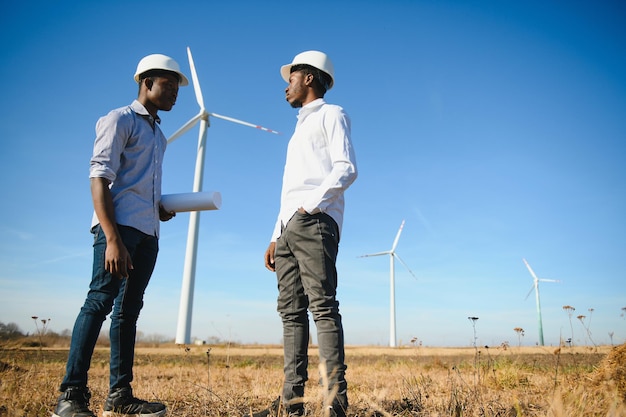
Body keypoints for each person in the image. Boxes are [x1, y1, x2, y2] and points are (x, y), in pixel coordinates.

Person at [52, 53, 188, 417]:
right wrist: (112, 238)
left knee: (128, 313)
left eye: (178, 88)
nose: (176, 93)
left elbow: (139, 184)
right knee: (99, 301)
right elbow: (99, 177)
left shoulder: (159, 136)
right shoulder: (119, 119)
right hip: (119, 229)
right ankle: (71, 396)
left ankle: (120, 396)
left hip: (148, 233)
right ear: (146, 82)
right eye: (169, 85)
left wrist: (158, 207)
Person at [262, 50, 358, 417]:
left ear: (309, 78)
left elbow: (346, 168)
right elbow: (290, 188)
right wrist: (276, 233)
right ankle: (292, 402)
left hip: (314, 222)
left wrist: (310, 208)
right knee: (290, 313)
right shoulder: (298, 128)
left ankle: (335, 401)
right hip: (289, 228)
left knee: (322, 307)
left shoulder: (332, 114)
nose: (286, 86)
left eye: (291, 78)